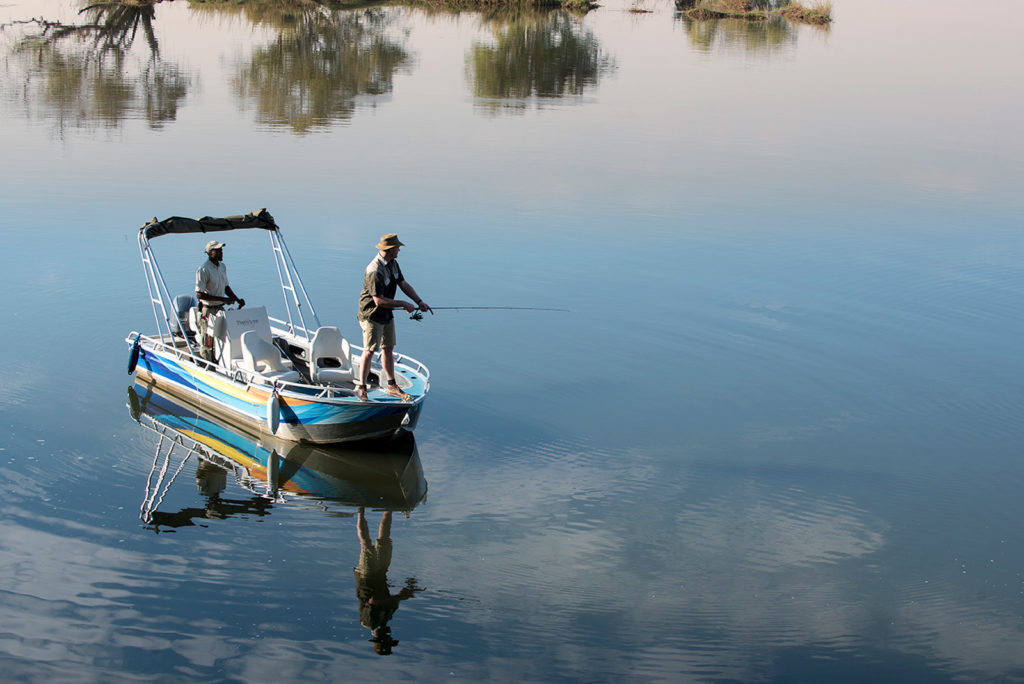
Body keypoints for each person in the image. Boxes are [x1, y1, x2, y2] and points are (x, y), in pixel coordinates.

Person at [355, 234, 431, 401]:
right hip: (371, 315)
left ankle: (391, 386)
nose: (399, 250)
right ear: (389, 250)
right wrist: (403, 304)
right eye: (397, 248)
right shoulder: (374, 270)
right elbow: (378, 301)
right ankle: (361, 387)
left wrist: (418, 301)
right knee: (369, 351)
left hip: (386, 313)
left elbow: (403, 284)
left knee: (388, 348)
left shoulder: (393, 264)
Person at [353, 507, 422, 655]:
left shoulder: (369, 622)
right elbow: (392, 601)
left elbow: (374, 600)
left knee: (366, 544)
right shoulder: (386, 618)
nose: (391, 636)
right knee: (385, 539)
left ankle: (360, 510)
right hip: (381, 574)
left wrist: (398, 597)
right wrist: (406, 593)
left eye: (389, 640)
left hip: (367, 577)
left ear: (383, 639)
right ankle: (389, 508)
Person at [195, 240, 244, 364]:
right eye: (218, 251)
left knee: (222, 338)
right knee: (207, 340)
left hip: (220, 310)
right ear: (210, 253)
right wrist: (223, 300)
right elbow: (199, 294)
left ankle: (220, 363)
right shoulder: (203, 269)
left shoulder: (222, 267)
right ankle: (207, 365)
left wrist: (237, 299)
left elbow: (226, 287)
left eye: (221, 250)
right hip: (208, 310)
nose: (221, 253)